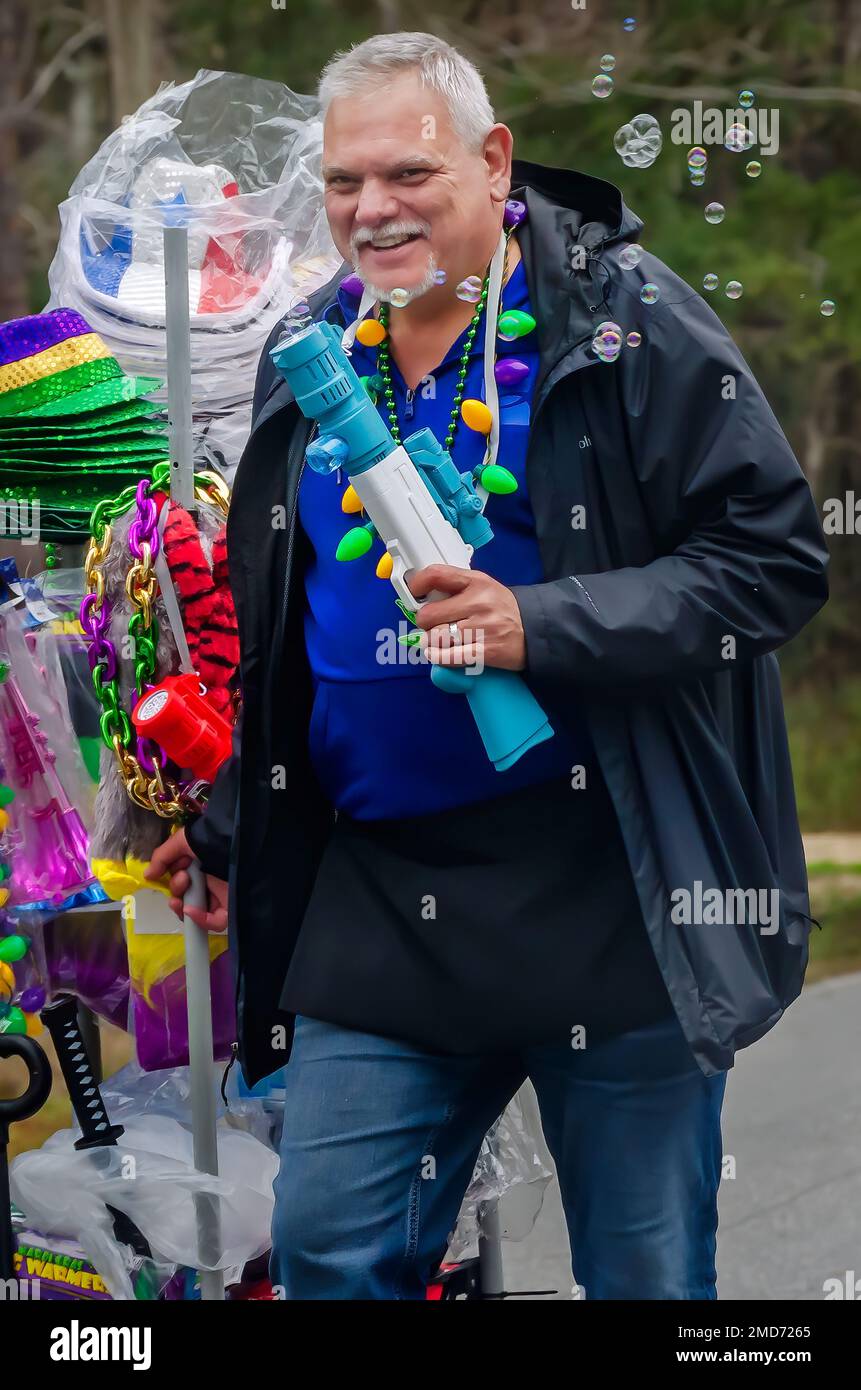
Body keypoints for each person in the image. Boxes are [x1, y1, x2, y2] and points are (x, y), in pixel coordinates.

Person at [147, 32, 828, 1299]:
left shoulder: (629, 322)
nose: (372, 208)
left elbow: (775, 562)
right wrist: (235, 821)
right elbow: (296, 637)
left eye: (409, 172)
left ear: (495, 160)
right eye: (346, 182)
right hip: (385, 897)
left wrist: (542, 624)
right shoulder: (313, 352)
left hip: (610, 880)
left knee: (644, 1276)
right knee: (330, 1251)